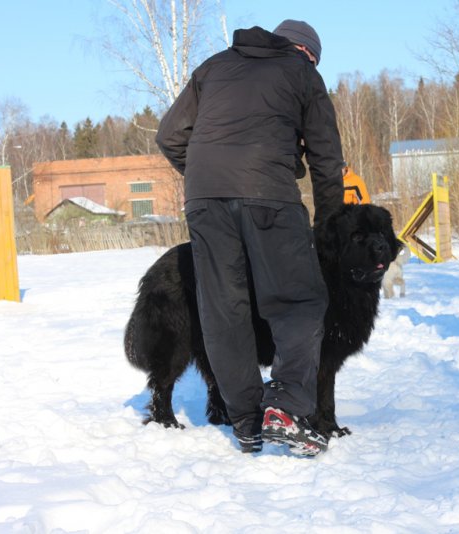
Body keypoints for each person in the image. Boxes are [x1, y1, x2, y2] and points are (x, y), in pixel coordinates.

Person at [155, 20, 345, 456]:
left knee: (225, 309)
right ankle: (285, 408)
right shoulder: (301, 72)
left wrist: (210, 175)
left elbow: (169, 136)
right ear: (306, 51)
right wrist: (328, 223)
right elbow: (325, 155)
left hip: (204, 199)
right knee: (299, 300)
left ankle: (246, 422)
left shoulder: (214, 67)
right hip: (269, 196)